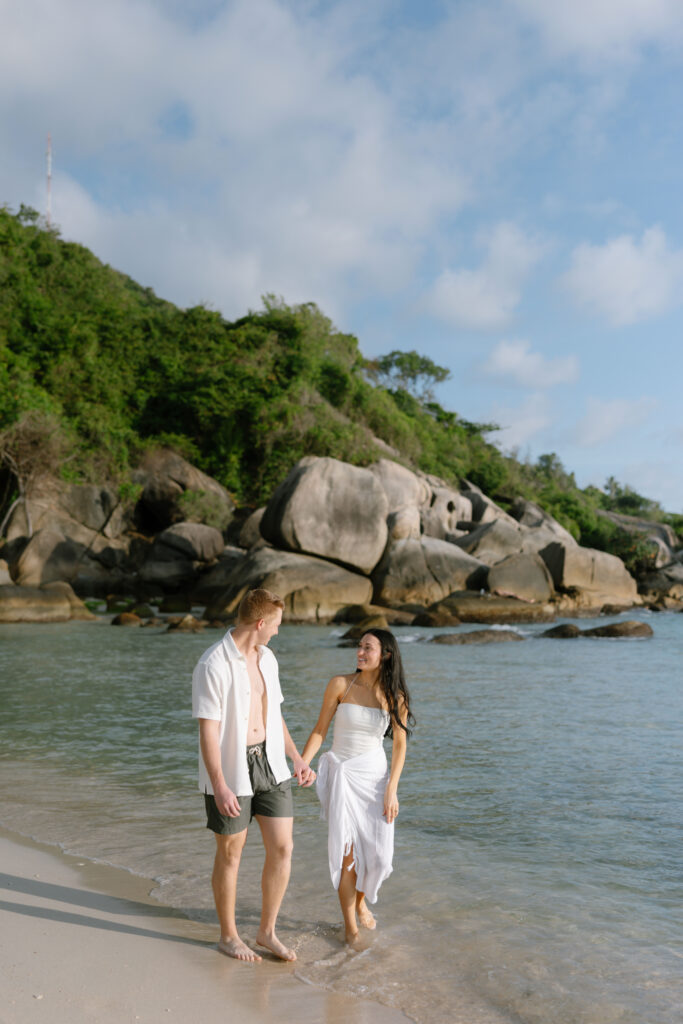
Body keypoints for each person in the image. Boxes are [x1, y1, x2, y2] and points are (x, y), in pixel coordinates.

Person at [191, 588, 315, 963]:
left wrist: (296, 757)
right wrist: (220, 784)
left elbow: (274, 713)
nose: (278, 631)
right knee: (231, 854)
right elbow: (208, 731)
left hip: (272, 765)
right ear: (261, 623)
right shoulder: (213, 664)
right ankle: (229, 936)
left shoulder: (268, 658)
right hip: (231, 767)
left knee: (283, 848)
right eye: (276, 625)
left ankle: (266, 932)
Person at [301, 628, 414, 947]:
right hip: (342, 776)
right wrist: (305, 762)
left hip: (375, 778)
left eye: (368, 648)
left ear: (385, 655)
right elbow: (320, 729)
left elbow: (400, 746)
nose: (360, 652)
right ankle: (350, 929)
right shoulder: (340, 684)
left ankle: (361, 899)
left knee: (380, 858)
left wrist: (392, 788)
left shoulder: (395, 697)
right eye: (359, 646)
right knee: (347, 853)